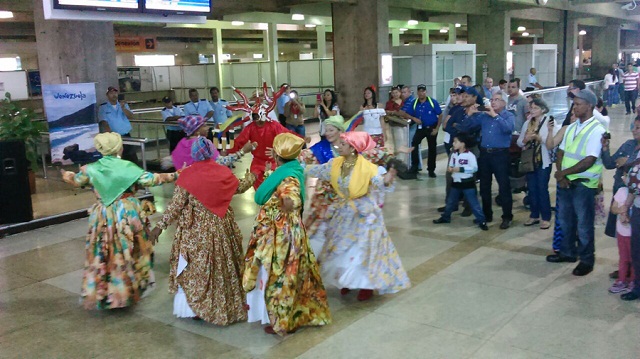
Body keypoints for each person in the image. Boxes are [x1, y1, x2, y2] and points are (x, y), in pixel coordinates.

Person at [60, 132, 178, 310]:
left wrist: (66, 175)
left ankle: (107, 293)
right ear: (119, 147)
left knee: (104, 251)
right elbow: (153, 179)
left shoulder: (90, 169)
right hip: (127, 213)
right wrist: (177, 174)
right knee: (132, 249)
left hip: (102, 215)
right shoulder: (128, 167)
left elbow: (76, 181)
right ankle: (129, 288)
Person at [150, 138, 255, 324]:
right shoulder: (222, 171)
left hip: (195, 231)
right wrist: (250, 178)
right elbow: (238, 187)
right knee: (221, 265)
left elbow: (176, 206)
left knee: (196, 268)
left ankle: (196, 307)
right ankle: (222, 305)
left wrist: (160, 226)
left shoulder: (187, 175)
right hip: (221, 227)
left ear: (194, 154)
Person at [305, 131, 411, 301]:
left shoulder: (368, 168)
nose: (338, 147)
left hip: (365, 215)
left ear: (353, 148)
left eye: (343, 144)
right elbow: (316, 170)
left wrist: (388, 177)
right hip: (344, 212)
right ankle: (346, 280)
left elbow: (380, 182)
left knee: (363, 250)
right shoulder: (335, 164)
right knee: (342, 248)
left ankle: (365, 284)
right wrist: (293, 166)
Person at [244, 133, 331, 336]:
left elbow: (290, 193)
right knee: (291, 272)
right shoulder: (291, 168)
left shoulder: (289, 176)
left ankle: (284, 319)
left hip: (282, 234)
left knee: (282, 274)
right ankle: (291, 314)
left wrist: (290, 202)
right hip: (281, 230)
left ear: (277, 154)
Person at [546, 89, 605, 277]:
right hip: (566, 182)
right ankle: (568, 252)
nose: (575, 107)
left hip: (584, 184)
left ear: (590, 106)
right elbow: (561, 152)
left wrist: (563, 173)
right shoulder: (571, 127)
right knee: (565, 220)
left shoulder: (597, 130)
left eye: (579, 104)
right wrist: (561, 176)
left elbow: (589, 159)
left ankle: (587, 260)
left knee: (584, 225)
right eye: (574, 104)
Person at [456, 89, 515, 229]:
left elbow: (508, 129)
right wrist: (469, 115)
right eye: (492, 100)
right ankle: (486, 214)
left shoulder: (508, 116)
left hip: (500, 154)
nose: (492, 102)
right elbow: (465, 128)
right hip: (485, 154)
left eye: (496, 100)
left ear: (503, 103)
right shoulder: (484, 116)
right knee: (484, 186)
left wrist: (495, 116)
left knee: (504, 186)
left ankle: (507, 216)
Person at [517, 98, 560, 230]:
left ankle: (546, 217)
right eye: (531, 108)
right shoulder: (527, 123)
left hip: (543, 161)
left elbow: (551, 143)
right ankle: (534, 214)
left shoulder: (549, 122)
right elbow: (519, 142)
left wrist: (538, 138)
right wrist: (525, 139)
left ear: (542, 109)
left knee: (542, 188)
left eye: (535, 108)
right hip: (530, 160)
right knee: (532, 188)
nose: (532, 110)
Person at [433, 134, 488, 230]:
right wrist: (451, 168)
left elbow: (474, 168)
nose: (453, 144)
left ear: (463, 144)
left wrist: (461, 169)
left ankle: (481, 220)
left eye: (456, 142)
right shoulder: (454, 154)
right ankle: (446, 217)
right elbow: (451, 164)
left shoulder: (470, 156)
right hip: (456, 182)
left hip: (467, 183)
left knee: (474, 203)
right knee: (450, 201)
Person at [171, 115, 254, 170]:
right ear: (196, 131)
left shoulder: (181, 144)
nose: (208, 128)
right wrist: (243, 151)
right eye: (204, 126)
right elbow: (220, 162)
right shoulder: (203, 144)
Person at [402, 84, 442, 178]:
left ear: (426, 92)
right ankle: (415, 167)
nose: (421, 93)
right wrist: (414, 118)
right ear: (417, 92)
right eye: (420, 91)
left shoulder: (432, 102)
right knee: (414, 143)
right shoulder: (415, 102)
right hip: (421, 128)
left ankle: (431, 170)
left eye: (423, 91)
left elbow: (440, 115)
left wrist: (437, 129)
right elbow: (406, 114)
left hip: (432, 127)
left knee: (432, 148)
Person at [607, 175, 635, 294]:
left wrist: (628, 216)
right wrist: (622, 211)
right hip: (622, 232)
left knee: (634, 258)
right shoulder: (621, 191)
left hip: (633, 233)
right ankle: (621, 280)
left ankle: (633, 280)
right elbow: (613, 208)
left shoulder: (636, 196)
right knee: (623, 257)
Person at [98, 86, 137, 163]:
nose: (114, 95)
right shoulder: (103, 107)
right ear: (107, 95)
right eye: (111, 93)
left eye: (115, 93)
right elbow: (104, 122)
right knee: (118, 159)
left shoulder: (123, 105)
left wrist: (123, 108)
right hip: (114, 137)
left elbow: (131, 116)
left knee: (132, 158)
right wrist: (110, 136)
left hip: (126, 135)